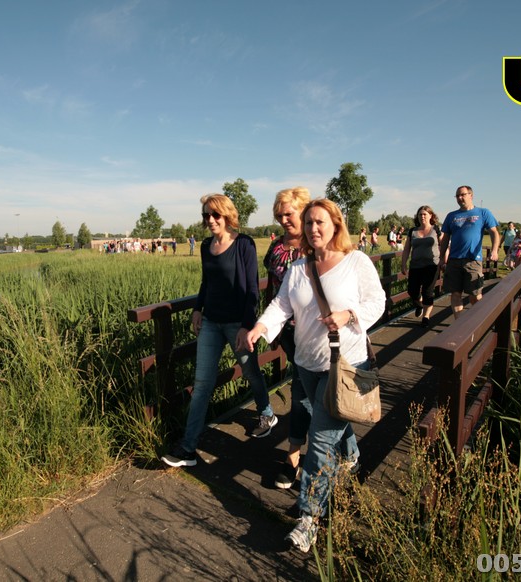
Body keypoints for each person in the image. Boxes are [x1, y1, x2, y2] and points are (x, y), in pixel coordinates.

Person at [245, 198, 386, 553]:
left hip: (346, 363)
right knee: (334, 419)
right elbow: (282, 305)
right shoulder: (298, 267)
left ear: (336, 224)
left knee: (320, 440)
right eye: (308, 223)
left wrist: (348, 315)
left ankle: (308, 519)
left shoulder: (356, 262)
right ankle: (351, 454)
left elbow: (377, 302)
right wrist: (260, 327)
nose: (312, 228)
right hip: (307, 363)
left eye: (319, 221)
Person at [161, 194, 277, 468]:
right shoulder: (205, 246)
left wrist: (247, 326)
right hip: (211, 322)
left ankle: (267, 413)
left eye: (215, 215)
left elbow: (252, 289)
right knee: (202, 384)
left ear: (227, 215)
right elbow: (207, 282)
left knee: (250, 371)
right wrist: (198, 308)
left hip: (238, 324)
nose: (210, 220)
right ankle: (188, 448)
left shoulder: (244, 244)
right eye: (206, 215)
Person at [263, 188, 360, 491]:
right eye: (279, 215)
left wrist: (349, 315)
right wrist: (268, 327)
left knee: (306, 398)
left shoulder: (316, 249)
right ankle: (346, 450)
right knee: (316, 396)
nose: (283, 220)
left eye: (289, 214)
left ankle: (295, 460)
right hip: (290, 334)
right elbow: (274, 292)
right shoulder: (276, 248)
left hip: (319, 333)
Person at [438, 185, 500, 319]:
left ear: (471, 195)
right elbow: (445, 238)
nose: (460, 198)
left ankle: (479, 321)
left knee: (475, 295)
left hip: (473, 260)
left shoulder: (483, 213)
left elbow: (494, 232)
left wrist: (495, 250)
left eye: (463, 195)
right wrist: (442, 258)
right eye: (457, 196)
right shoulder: (451, 216)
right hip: (454, 260)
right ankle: (458, 323)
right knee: (455, 294)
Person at [400, 206, 443, 327]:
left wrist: (444, 261)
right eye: (420, 214)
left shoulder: (436, 230)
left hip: (432, 266)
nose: (422, 216)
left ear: (431, 216)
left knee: (427, 292)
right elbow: (407, 249)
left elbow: (444, 245)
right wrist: (403, 264)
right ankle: (419, 305)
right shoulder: (412, 231)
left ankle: (426, 317)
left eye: (425, 214)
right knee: (412, 291)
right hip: (415, 266)